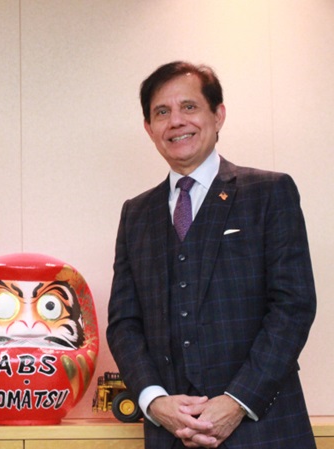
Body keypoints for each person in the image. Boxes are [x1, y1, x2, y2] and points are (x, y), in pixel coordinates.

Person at [106, 61, 317, 448]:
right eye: (162, 112)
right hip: (172, 432)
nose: (176, 121)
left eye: (189, 107)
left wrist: (237, 402)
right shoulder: (136, 214)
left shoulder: (269, 193)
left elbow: (293, 307)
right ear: (149, 128)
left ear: (217, 116)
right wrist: (154, 401)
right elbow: (124, 323)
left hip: (263, 430)